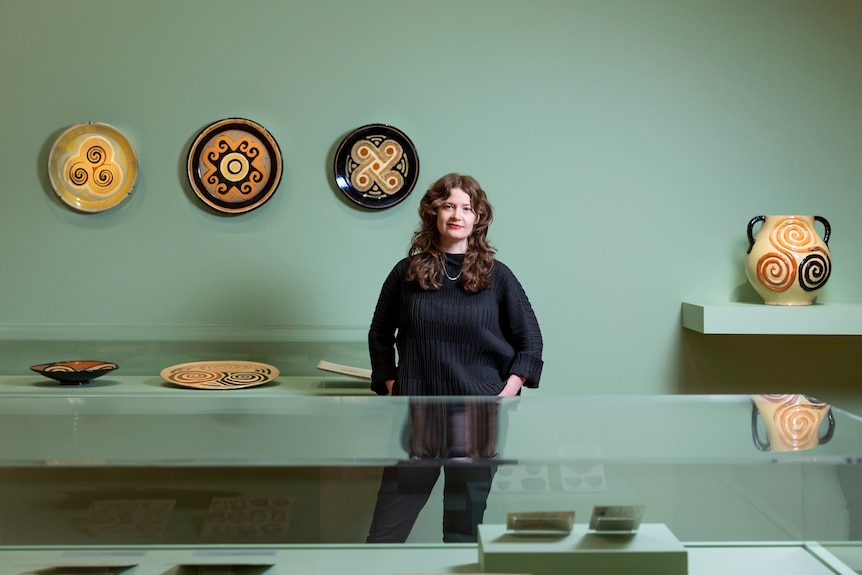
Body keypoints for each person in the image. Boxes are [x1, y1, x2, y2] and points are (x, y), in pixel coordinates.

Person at [365, 173, 543, 543]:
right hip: (420, 413)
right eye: (448, 206)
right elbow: (379, 334)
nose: (456, 215)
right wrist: (393, 383)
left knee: (462, 534)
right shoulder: (406, 273)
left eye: (466, 207)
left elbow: (531, 343)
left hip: (477, 418)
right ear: (434, 213)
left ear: (478, 217)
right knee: (385, 533)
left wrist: (505, 393)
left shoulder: (499, 277)